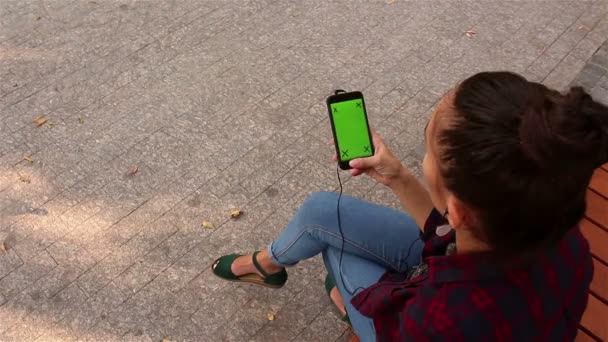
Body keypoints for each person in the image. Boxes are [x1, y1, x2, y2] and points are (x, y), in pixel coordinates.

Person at [212, 71, 606, 341]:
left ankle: (344, 300)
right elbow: (453, 234)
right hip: (472, 277)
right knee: (321, 210)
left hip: (405, 327)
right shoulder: (556, 228)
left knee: (334, 245)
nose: (424, 160)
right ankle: (269, 263)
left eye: (427, 153)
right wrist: (397, 175)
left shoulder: (442, 319)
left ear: (458, 212)